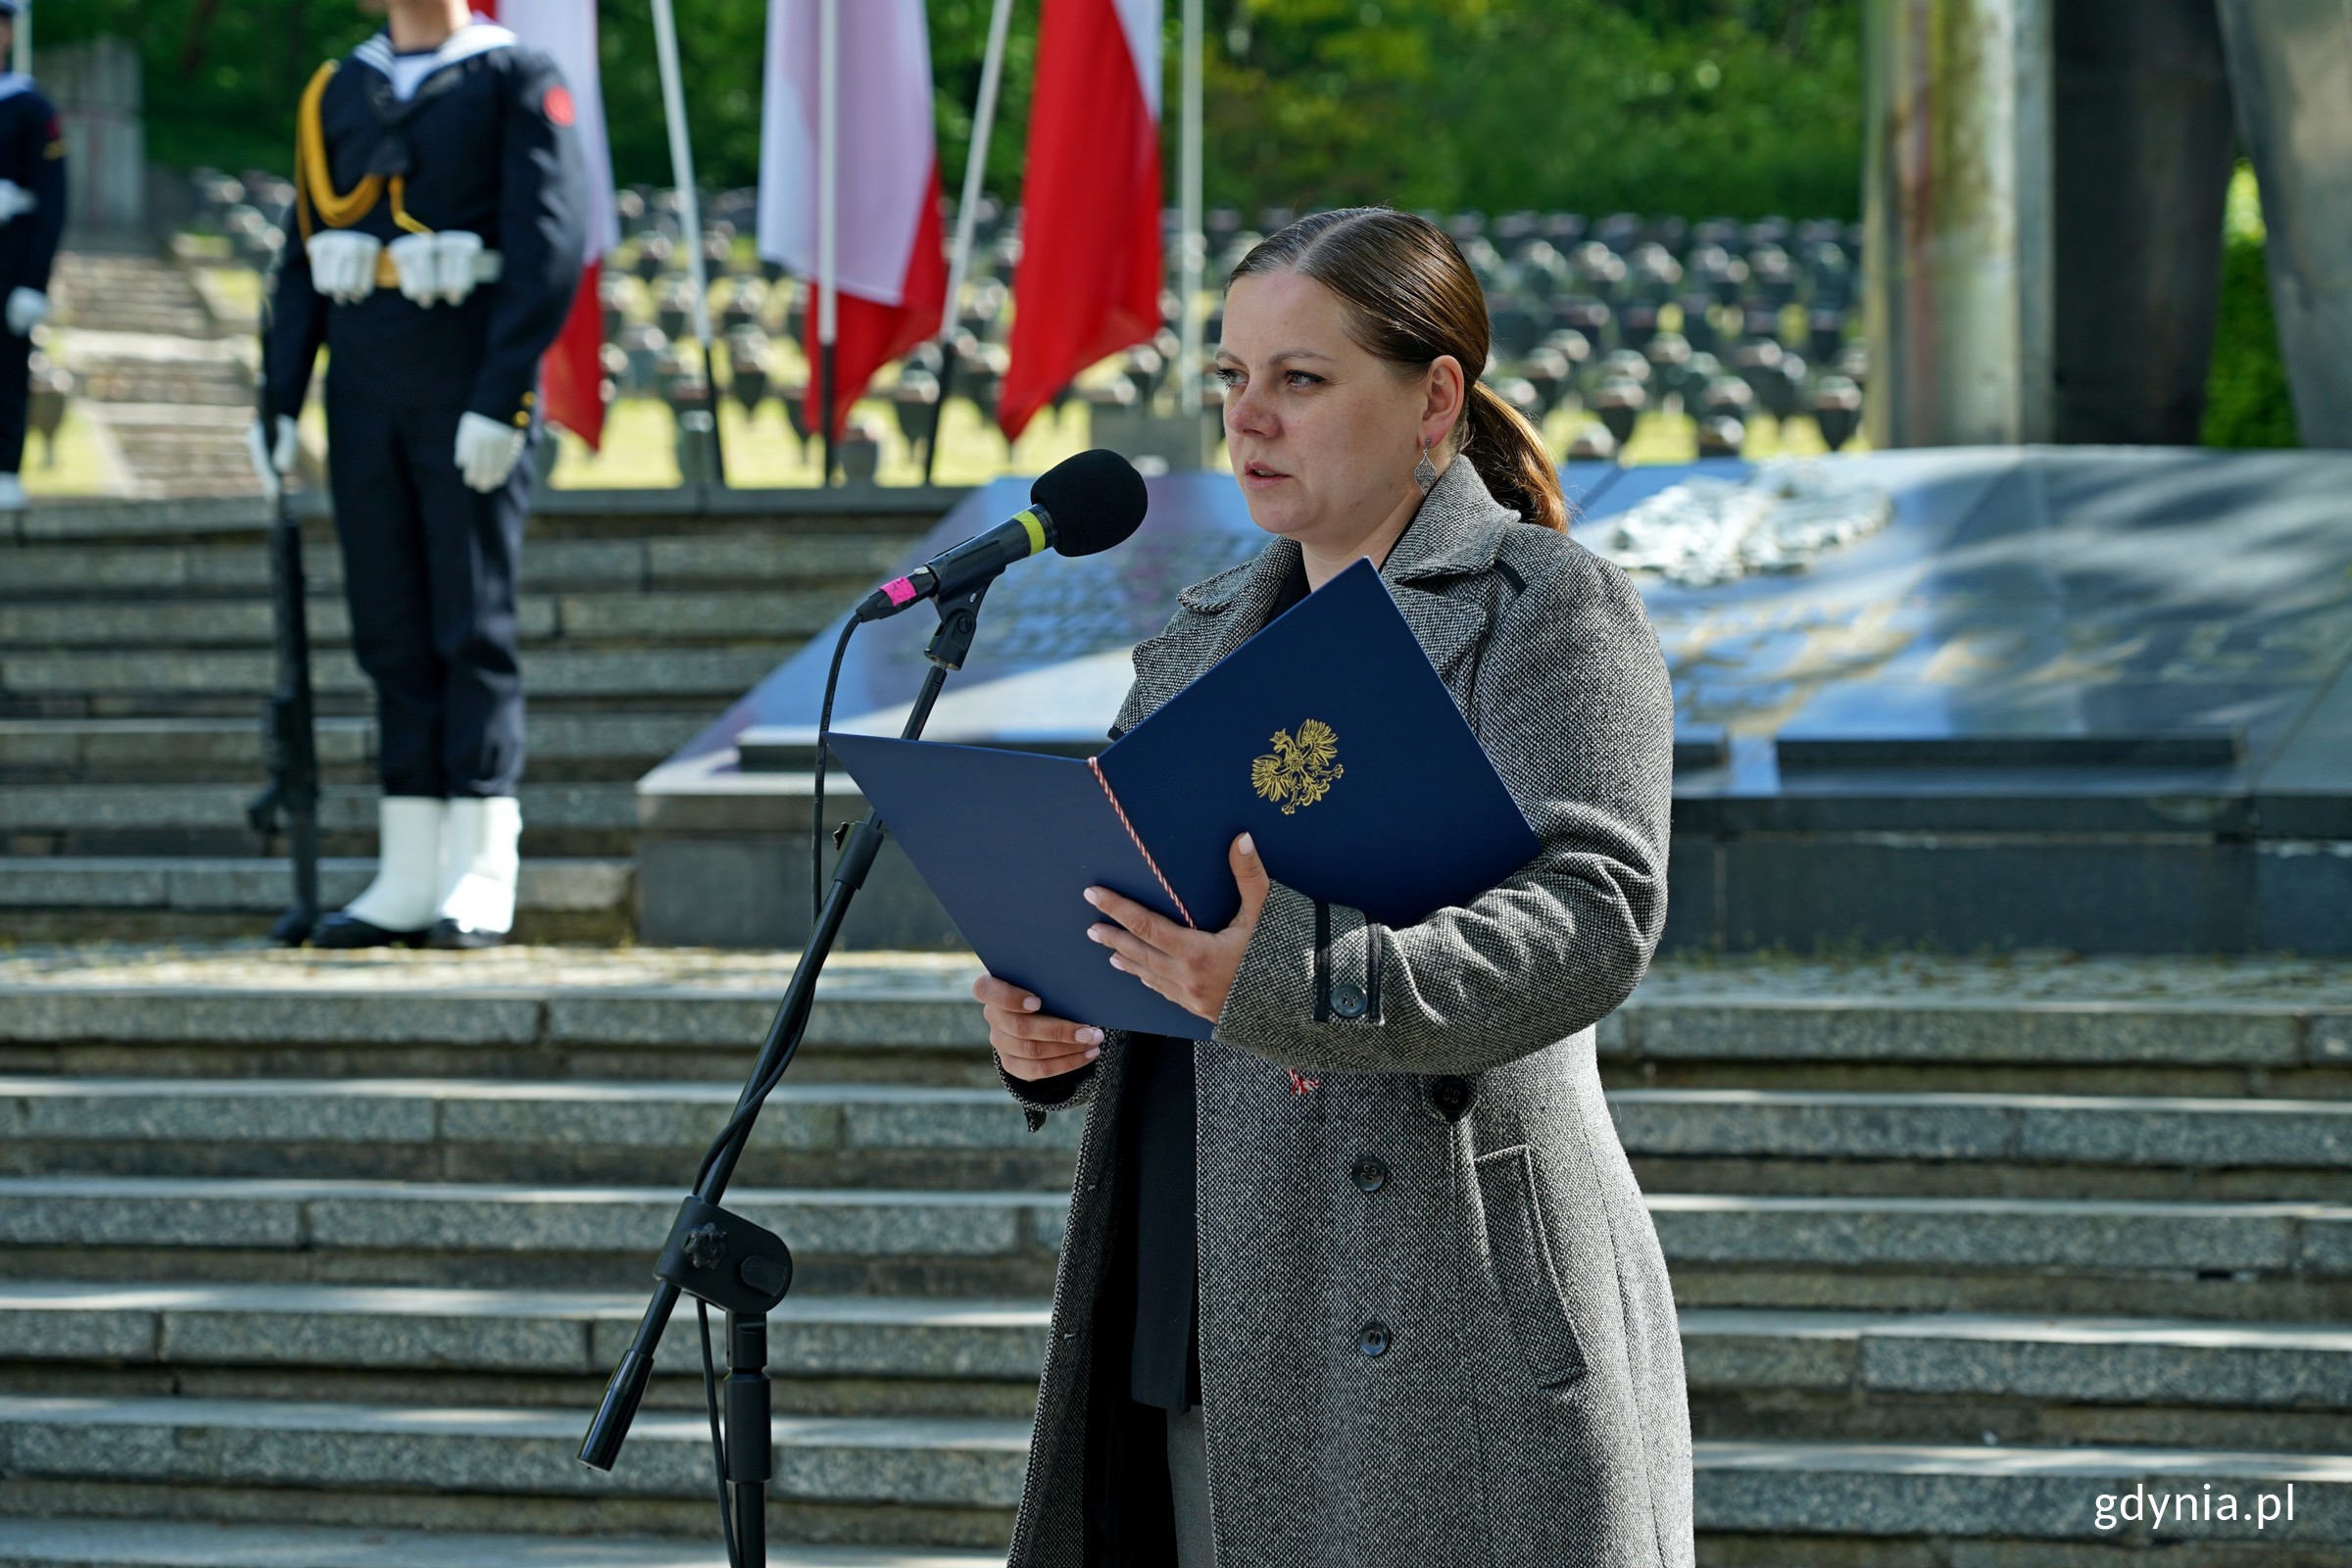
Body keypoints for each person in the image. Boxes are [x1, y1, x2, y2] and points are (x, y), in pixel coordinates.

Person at [976, 208, 1690, 1568]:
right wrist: (1054, 1023)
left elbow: (1593, 915)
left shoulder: (1547, 609)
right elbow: (1146, 910)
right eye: (1233, 380)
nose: (1253, 420)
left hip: (1450, 1318)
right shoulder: (1192, 644)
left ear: (1435, 400)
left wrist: (1298, 972)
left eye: (1301, 380)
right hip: (1205, 1309)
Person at [253, 0, 587, 950]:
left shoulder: (511, 76)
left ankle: (482, 861)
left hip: (464, 384)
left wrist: (502, 396)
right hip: (363, 396)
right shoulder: (340, 89)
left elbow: (548, 244)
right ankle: (407, 865)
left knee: (468, 621)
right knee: (390, 626)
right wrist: (279, 399)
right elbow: (305, 257)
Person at [0, 0, 63, 514]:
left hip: (9, 257)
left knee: (5, 366)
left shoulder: (29, 106)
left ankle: (4, 467)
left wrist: (34, 282)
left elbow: (52, 199)